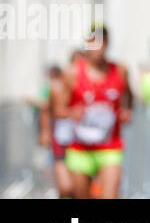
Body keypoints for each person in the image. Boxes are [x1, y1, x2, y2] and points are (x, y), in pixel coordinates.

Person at [54, 28, 133, 199]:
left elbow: (130, 95)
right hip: (81, 148)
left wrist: (128, 111)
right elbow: (58, 109)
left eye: (102, 42)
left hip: (110, 147)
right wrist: (71, 112)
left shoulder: (119, 70)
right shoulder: (73, 73)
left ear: (108, 44)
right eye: (94, 42)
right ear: (87, 44)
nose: (99, 48)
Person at [30, 60, 76, 198]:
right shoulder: (54, 88)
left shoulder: (84, 86)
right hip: (61, 139)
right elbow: (46, 110)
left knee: (79, 184)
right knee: (66, 186)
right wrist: (45, 131)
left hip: (81, 143)